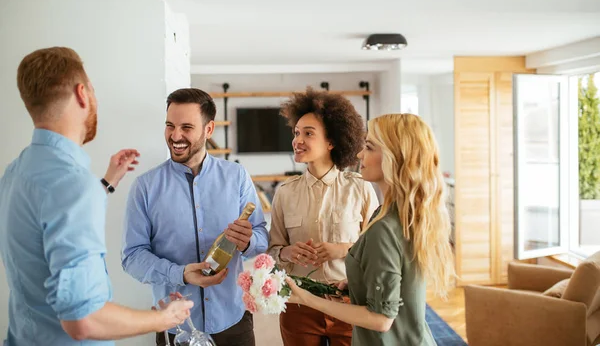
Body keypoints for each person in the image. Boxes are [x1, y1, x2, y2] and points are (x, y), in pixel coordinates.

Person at [0, 47, 193, 346]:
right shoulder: (73, 185)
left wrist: (106, 182)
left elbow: (50, 225)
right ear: (82, 94)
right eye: (93, 90)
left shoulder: (15, 173)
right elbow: (84, 320)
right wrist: (165, 317)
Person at [285, 113, 456, 346]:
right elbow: (396, 278)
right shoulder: (394, 214)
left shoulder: (384, 227)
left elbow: (381, 318)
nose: (359, 154)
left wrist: (307, 299)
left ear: (395, 157)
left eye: (369, 147)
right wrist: (356, 284)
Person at [122, 88, 269, 346]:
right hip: (175, 326)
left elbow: (261, 236)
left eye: (186, 127)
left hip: (233, 321)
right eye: (170, 126)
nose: (175, 136)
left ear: (208, 129)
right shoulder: (145, 187)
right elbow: (132, 256)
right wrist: (181, 274)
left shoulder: (236, 177)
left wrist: (247, 242)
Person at [267, 88, 379, 346]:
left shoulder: (360, 188)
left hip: (348, 303)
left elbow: (375, 250)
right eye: (296, 133)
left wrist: (342, 249)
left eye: (308, 133)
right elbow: (272, 251)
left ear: (331, 141)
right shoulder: (284, 193)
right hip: (298, 304)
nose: (297, 140)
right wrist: (287, 253)